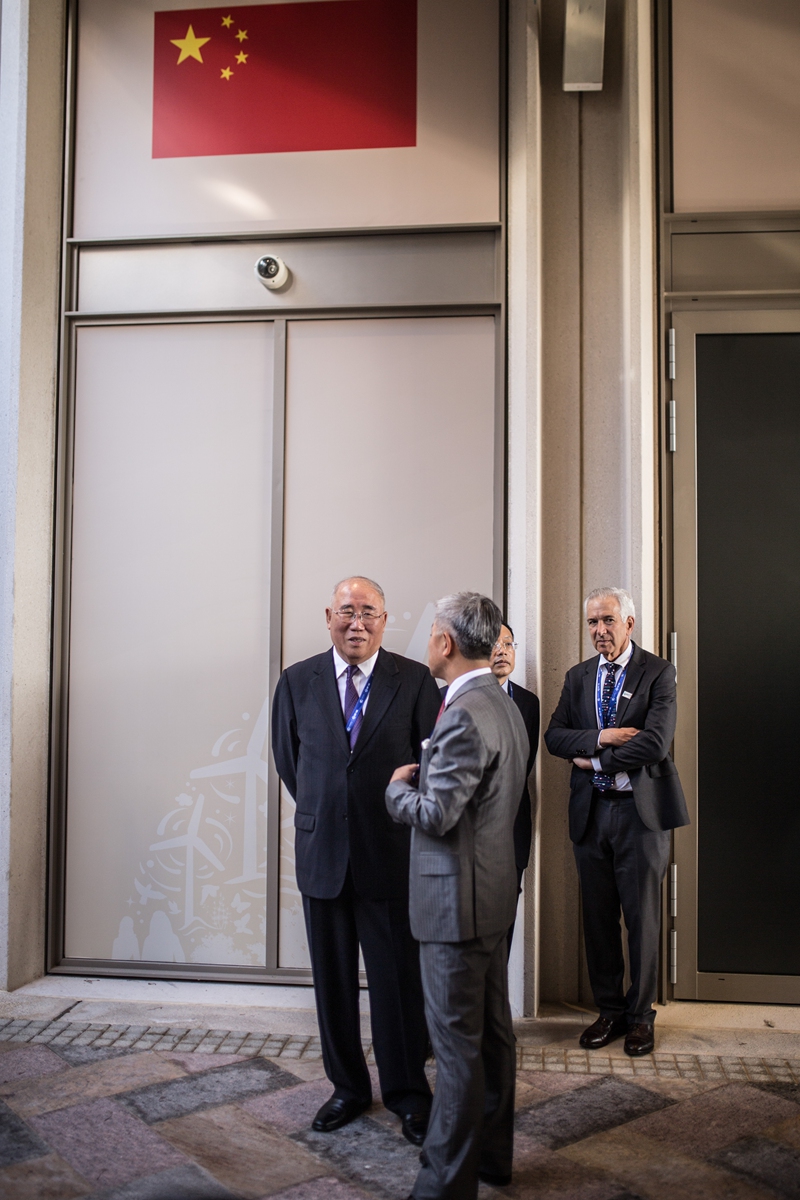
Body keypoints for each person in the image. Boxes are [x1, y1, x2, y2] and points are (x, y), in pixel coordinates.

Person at [271, 576, 442, 1142]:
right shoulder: (298, 681)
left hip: (389, 855)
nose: (357, 622)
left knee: (397, 984)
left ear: (385, 620)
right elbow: (291, 763)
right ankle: (346, 1088)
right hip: (323, 854)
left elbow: (429, 764)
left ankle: (409, 1095)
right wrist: (331, 810)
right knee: (333, 982)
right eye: (347, 611)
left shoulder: (414, 680)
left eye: (369, 611)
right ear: (328, 616)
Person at [386, 592, 528, 1200]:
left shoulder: (466, 711)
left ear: (445, 643)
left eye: (431, 633)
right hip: (490, 898)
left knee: (457, 1051)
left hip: (456, 912)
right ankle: (492, 1159)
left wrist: (395, 792)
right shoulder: (499, 701)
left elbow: (438, 813)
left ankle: (443, 1184)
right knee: (492, 1040)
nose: (427, 642)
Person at [544, 587, 689, 1057]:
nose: (599, 631)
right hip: (591, 815)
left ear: (629, 623)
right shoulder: (578, 676)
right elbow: (555, 737)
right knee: (599, 919)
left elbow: (655, 743)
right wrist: (601, 737)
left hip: (639, 816)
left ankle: (641, 1017)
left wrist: (597, 762)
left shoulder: (657, 672)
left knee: (643, 919)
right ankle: (609, 1011)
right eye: (591, 623)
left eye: (607, 621)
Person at [489, 622, 540, 947]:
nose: (503, 651)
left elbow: (525, 764)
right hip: (465, 837)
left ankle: (496, 1000)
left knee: (504, 929)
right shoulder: (444, 698)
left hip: (512, 830)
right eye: (494, 644)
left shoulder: (528, 703)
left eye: (509, 644)